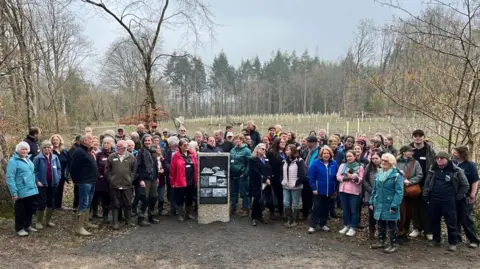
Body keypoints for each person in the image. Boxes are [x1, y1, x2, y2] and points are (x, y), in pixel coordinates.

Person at [423, 151, 469, 252]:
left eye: (442, 158)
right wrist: (425, 194)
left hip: (449, 200)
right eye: (437, 158)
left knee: (451, 222)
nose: (439, 160)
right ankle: (436, 240)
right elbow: (427, 183)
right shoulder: (433, 169)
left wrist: (458, 197)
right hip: (434, 199)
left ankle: (452, 242)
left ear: (447, 159)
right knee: (434, 220)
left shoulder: (456, 170)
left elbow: (465, 185)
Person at [369, 153, 404, 254]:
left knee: (391, 224)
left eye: (386, 161)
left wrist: (394, 205)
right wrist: (371, 201)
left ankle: (394, 244)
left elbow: (399, 192)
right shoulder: (379, 173)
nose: (383, 162)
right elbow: (375, 189)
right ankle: (381, 241)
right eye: (382, 160)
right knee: (380, 222)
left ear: (391, 162)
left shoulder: (397, 175)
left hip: (390, 203)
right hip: (379, 202)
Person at [6, 142, 39, 236]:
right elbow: (10, 178)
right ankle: (19, 228)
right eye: (22, 149)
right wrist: (14, 193)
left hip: (31, 189)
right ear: (18, 150)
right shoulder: (13, 161)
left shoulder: (28, 159)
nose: (24, 151)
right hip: (21, 190)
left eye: (26, 149)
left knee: (29, 209)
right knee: (20, 210)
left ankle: (27, 225)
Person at [70, 134, 99, 236]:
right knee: (83, 203)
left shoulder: (89, 151)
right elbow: (73, 168)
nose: (92, 140)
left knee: (88, 202)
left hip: (91, 181)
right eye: (90, 139)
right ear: (84, 141)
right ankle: (79, 228)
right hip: (84, 182)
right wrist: (76, 180)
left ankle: (86, 222)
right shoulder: (79, 152)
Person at [409, 129, 435, 240]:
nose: (418, 138)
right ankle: (416, 228)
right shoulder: (409, 150)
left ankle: (428, 231)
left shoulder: (429, 151)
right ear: (413, 137)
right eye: (415, 136)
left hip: (427, 183)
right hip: (412, 184)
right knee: (415, 207)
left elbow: (434, 166)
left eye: (420, 136)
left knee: (427, 207)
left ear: (424, 137)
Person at [452, 146, 479, 248]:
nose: (454, 154)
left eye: (455, 152)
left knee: (465, 217)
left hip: (466, 195)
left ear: (461, 154)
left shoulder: (470, 165)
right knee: (455, 217)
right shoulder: (452, 163)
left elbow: (475, 180)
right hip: (453, 195)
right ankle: (456, 237)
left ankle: (473, 239)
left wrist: (473, 193)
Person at [106, 140, 137, 229]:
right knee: (115, 204)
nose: (117, 147)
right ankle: (115, 223)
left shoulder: (131, 157)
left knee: (128, 203)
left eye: (119, 146)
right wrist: (111, 180)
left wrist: (130, 179)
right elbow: (107, 170)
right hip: (114, 185)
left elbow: (134, 170)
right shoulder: (112, 157)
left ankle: (128, 221)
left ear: (124, 147)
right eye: (117, 146)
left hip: (127, 185)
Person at [307, 146, 338, 234]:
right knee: (316, 208)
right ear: (321, 154)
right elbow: (311, 177)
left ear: (330, 154)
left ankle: (323, 224)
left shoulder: (334, 163)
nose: (326, 155)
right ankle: (312, 226)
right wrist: (314, 188)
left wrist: (335, 189)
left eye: (328, 153)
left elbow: (335, 177)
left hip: (330, 190)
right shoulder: (316, 163)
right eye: (324, 153)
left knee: (326, 208)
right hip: (318, 190)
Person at [396, 145, 423, 244]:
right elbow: (394, 173)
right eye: (410, 151)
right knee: (400, 212)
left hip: (410, 191)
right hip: (399, 190)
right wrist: (402, 180)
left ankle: (405, 232)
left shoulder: (416, 163)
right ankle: (399, 232)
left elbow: (420, 175)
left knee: (409, 213)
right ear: (404, 152)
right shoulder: (396, 162)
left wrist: (410, 181)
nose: (412, 152)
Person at [33, 140, 62, 229]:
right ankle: (38, 221)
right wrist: (37, 181)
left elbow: (58, 169)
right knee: (42, 202)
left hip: (52, 183)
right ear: (42, 148)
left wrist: (58, 177)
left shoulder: (55, 157)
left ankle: (48, 220)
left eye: (49, 147)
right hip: (42, 184)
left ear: (51, 148)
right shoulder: (38, 158)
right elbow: (34, 171)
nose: (47, 149)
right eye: (45, 147)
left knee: (51, 202)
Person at [170, 138, 199, 222]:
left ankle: (188, 213)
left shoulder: (192, 154)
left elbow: (196, 167)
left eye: (187, 145)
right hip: (179, 181)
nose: (186, 146)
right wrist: (172, 182)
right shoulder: (176, 156)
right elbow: (172, 170)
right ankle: (181, 214)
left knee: (190, 197)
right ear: (180, 146)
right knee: (180, 198)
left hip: (191, 180)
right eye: (184, 145)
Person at [336, 150, 364, 237]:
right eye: (347, 156)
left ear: (355, 157)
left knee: (354, 210)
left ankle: (353, 227)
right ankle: (346, 225)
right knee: (345, 210)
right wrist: (346, 178)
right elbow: (338, 176)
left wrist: (354, 178)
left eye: (350, 156)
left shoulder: (360, 167)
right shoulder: (342, 165)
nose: (348, 158)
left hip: (354, 192)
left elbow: (360, 179)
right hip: (343, 191)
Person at [136, 134, 159, 226]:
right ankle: (141, 218)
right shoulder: (140, 152)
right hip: (145, 178)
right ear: (143, 142)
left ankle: (151, 215)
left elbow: (155, 166)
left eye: (149, 140)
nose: (147, 142)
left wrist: (157, 177)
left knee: (154, 197)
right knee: (144, 198)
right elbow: (139, 167)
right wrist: (140, 179)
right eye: (145, 140)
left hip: (153, 178)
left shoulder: (153, 151)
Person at [281, 145, 306, 228]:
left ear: (293, 151)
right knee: (286, 202)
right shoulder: (284, 161)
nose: (286, 152)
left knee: (296, 203)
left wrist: (296, 183)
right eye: (286, 150)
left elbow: (302, 174)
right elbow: (282, 172)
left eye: (288, 150)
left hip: (296, 186)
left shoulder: (299, 161)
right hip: (286, 185)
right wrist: (283, 180)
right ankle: (289, 219)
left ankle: (295, 220)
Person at [91, 136, 115, 224]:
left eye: (108, 143)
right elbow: (95, 167)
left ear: (112, 144)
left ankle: (107, 214)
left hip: (111, 181)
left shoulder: (114, 154)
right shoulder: (99, 155)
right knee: (100, 197)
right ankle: (97, 214)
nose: (106, 144)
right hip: (101, 181)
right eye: (104, 143)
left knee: (109, 199)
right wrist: (99, 175)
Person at [249, 143, 272, 226]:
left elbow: (269, 169)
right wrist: (265, 179)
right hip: (256, 183)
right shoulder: (253, 159)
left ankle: (260, 215)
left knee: (262, 200)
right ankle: (254, 217)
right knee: (257, 199)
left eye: (265, 149)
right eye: (262, 149)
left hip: (265, 183)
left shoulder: (266, 159)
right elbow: (255, 172)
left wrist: (269, 178)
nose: (264, 150)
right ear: (257, 149)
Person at [229, 134, 252, 217]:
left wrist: (245, 173)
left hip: (242, 175)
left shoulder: (247, 150)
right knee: (233, 192)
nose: (236, 141)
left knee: (244, 193)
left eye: (237, 139)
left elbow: (249, 164)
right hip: (233, 175)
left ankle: (246, 209)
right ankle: (234, 208)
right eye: (235, 140)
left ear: (242, 140)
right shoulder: (232, 150)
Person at [363, 151, 383, 239]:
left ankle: (381, 232)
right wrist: (371, 190)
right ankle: (372, 231)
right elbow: (365, 180)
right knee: (372, 214)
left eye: (376, 158)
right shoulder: (369, 167)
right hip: (371, 194)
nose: (374, 160)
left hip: (382, 195)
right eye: (373, 158)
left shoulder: (385, 167)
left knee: (381, 215)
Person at [266, 138, 287, 220]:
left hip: (284, 177)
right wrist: (269, 176)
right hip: (274, 177)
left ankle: (281, 212)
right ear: (277, 143)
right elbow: (268, 165)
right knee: (272, 195)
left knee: (281, 195)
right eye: (281, 142)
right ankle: (272, 212)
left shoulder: (286, 152)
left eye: (284, 142)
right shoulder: (271, 152)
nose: (283, 143)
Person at [302, 135, 319, 221]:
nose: (307, 143)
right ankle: (305, 213)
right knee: (305, 196)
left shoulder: (319, 151)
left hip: (315, 177)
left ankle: (313, 214)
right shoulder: (307, 151)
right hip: (306, 176)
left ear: (314, 143)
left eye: (308, 142)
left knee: (314, 197)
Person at [51, 134, 69, 210]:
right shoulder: (50, 151)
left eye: (57, 140)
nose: (55, 141)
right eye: (54, 140)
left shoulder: (64, 151)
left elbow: (68, 161)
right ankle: (52, 206)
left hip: (63, 173)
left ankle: (59, 205)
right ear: (51, 141)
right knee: (54, 189)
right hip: (54, 174)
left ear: (60, 141)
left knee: (60, 189)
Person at [165, 136, 180, 215]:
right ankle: (173, 209)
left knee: (179, 193)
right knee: (171, 193)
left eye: (171, 145)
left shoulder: (180, 152)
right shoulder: (168, 152)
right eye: (169, 145)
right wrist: (171, 168)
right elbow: (166, 162)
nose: (170, 146)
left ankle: (179, 208)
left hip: (179, 176)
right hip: (171, 176)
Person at [154, 145, 168, 217]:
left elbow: (166, 167)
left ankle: (160, 210)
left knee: (161, 197)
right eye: (157, 148)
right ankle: (152, 211)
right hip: (154, 180)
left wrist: (164, 170)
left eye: (159, 148)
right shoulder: (152, 158)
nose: (158, 149)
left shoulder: (162, 158)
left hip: (161, 180)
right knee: (153, 197)